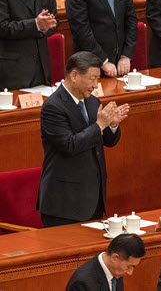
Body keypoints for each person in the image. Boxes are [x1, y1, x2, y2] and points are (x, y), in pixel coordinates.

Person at [37, 51, 130, 227]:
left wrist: (112, 125)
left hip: (93, 197)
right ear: (74, 75)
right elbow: (70, 145)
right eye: (92, 78)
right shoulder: (53, 107)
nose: (96, 85)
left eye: (98, 79)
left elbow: (107, 142)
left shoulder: (93, 102)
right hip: (64, 203)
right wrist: (100, 125)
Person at [65, 0, 137, 78]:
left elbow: (131, 22)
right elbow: (81, 31)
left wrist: (126, 56)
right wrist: (103, 61)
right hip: (88, 66)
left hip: (120, 65)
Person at [0, 0, 57, 91]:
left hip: (41, 67)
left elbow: (54, 22)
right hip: (13, 69)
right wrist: (35, 25)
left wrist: (44, 27)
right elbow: (2, 27)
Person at [66, 233, 146, 291]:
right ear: (115, 258)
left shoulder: (116, 270)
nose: (130, 272)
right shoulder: (83, 283)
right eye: (129, 266)